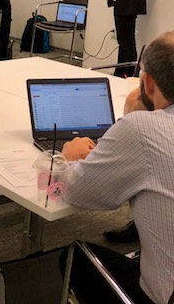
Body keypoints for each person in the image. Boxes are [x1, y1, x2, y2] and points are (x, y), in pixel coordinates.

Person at [61, 30, 174, 304]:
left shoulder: (141, 129)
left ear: (147, 82)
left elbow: (76, 192)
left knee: (72, 256)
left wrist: (71, 157)